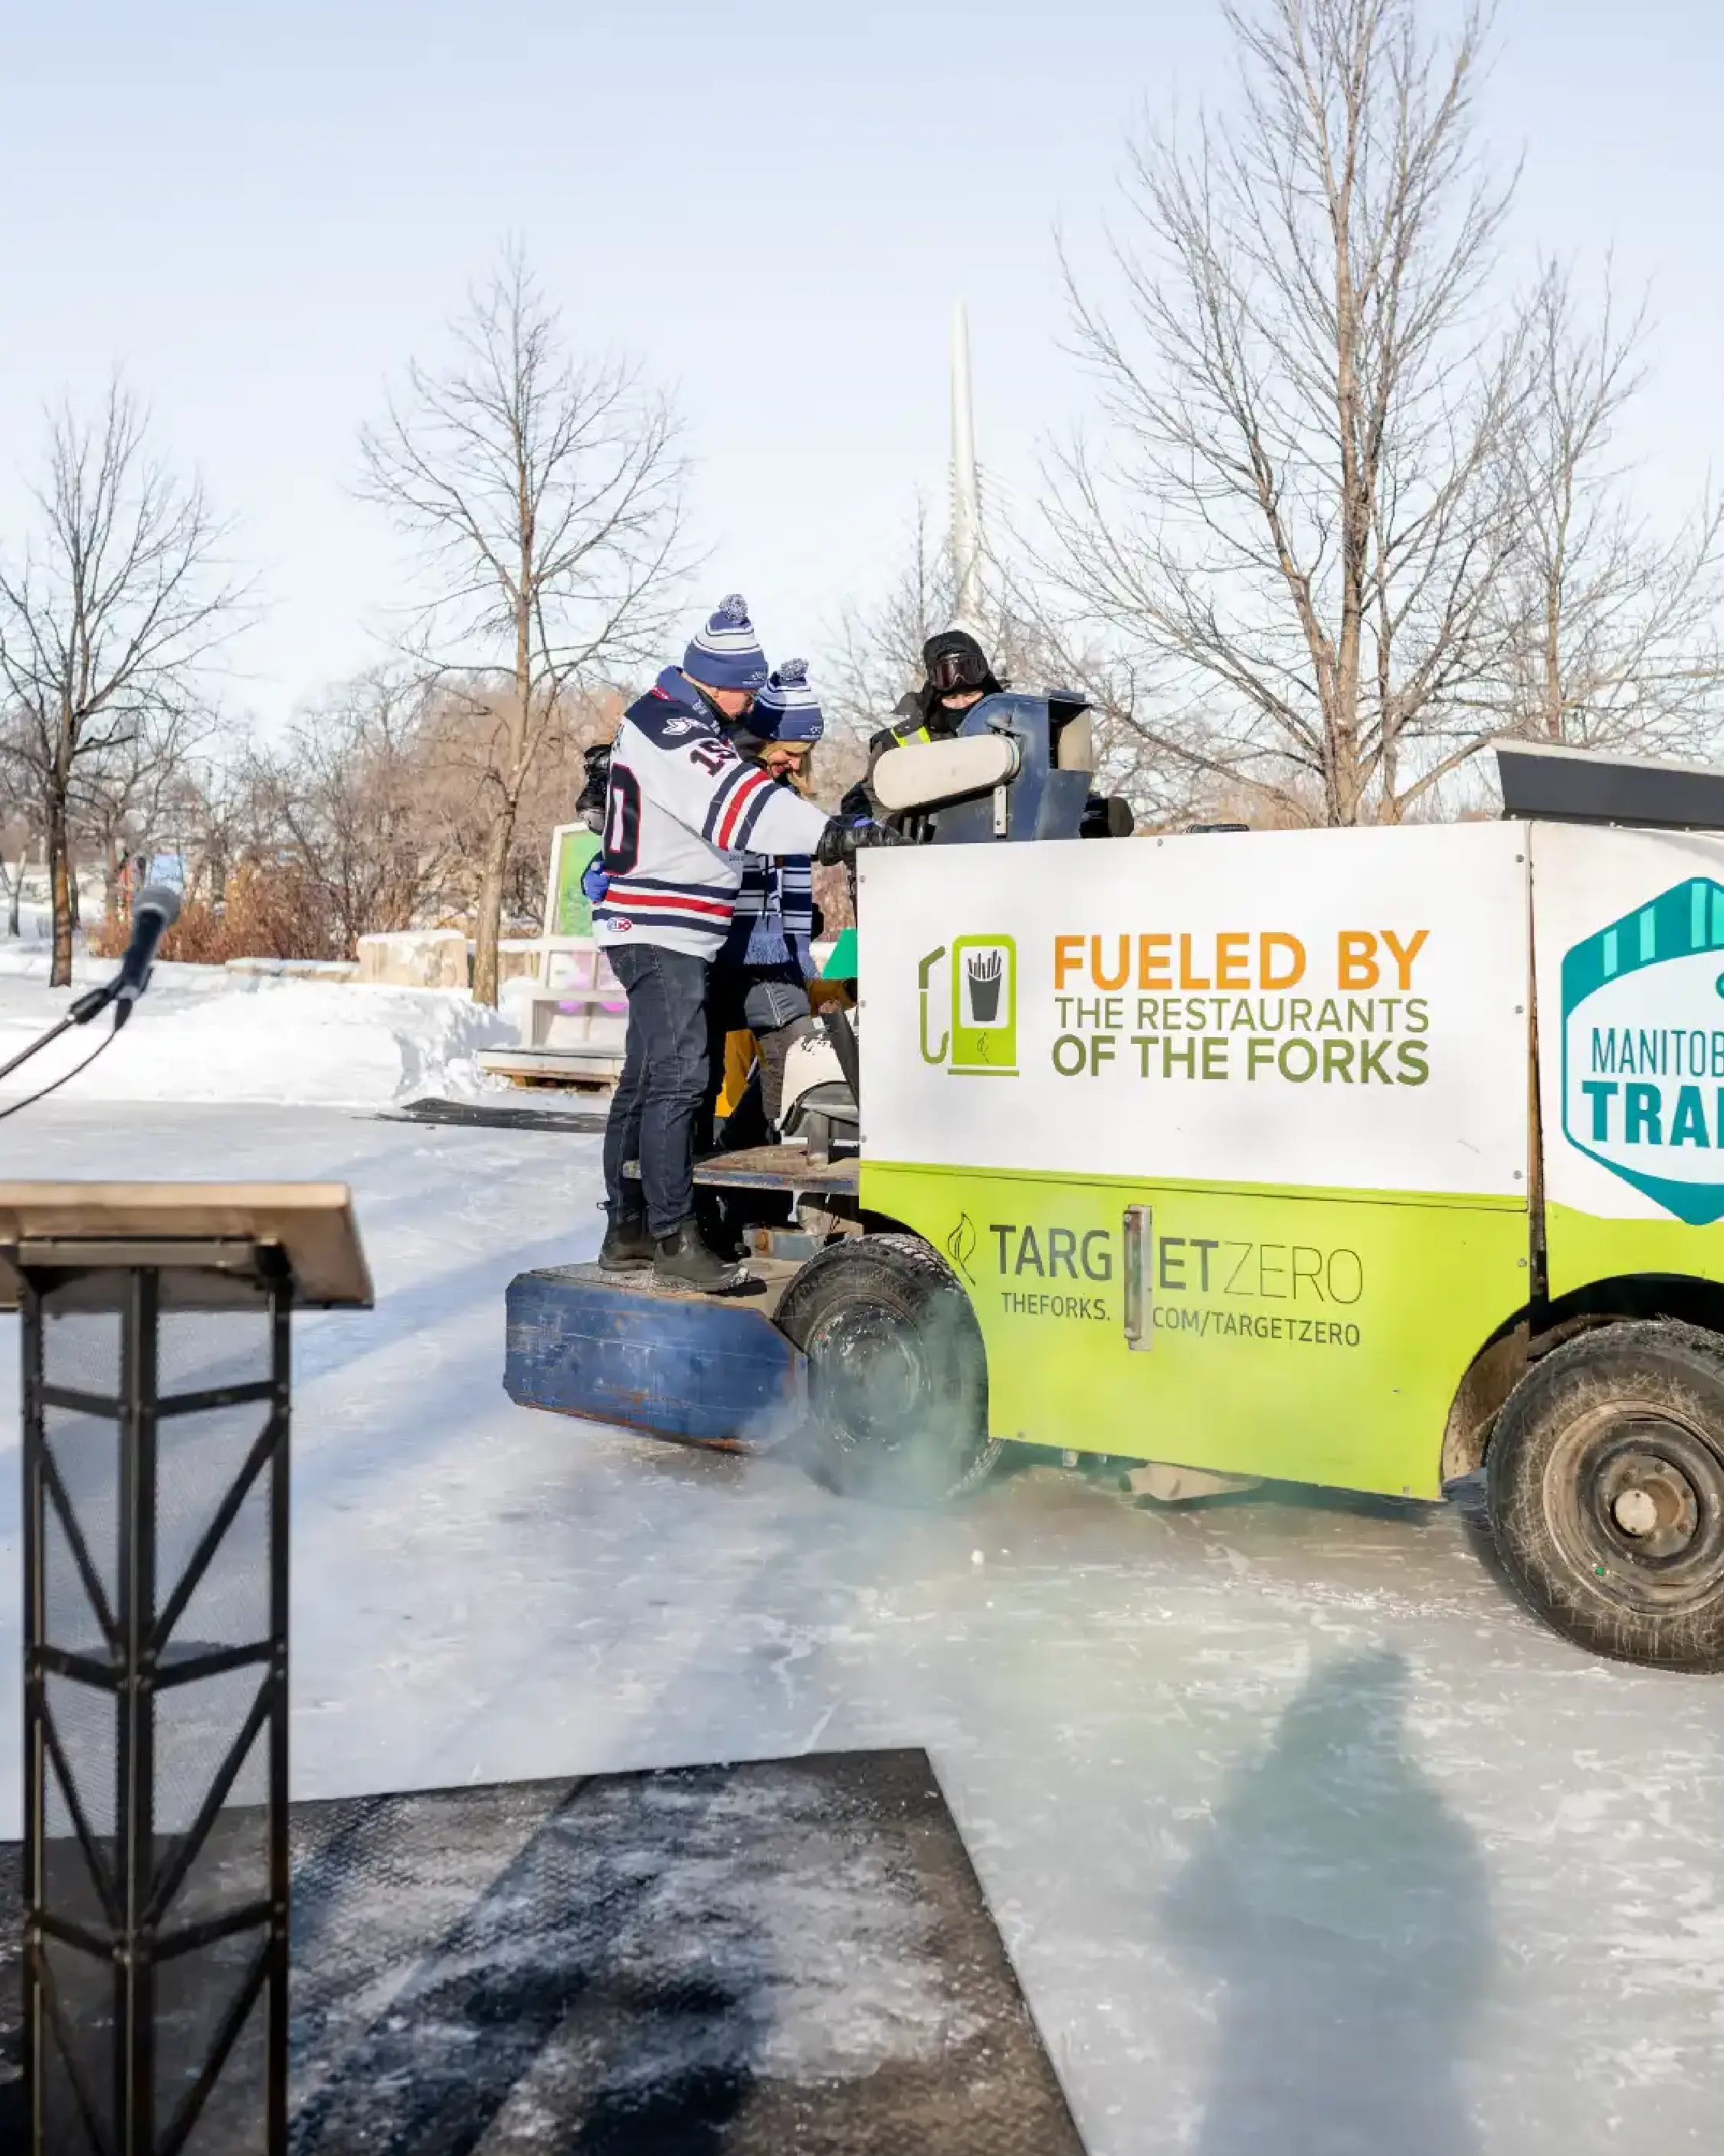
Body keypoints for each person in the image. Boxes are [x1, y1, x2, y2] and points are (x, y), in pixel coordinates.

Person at [593, 597, 890, 1290]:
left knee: (652, 1076)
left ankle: (632, 1227)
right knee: (680, 1076)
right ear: (716, 678)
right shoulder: (671, 725)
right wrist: (830, 835)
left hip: (670, 928)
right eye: (744, 688)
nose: (750, 702)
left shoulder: (681, 720)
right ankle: (675, 1234)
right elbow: (735, 802)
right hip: (659, 926)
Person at [702, 658, 827, 1157]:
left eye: (803, 755)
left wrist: (796, 934)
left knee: (795, 1059)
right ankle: (690, 1180)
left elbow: (786, 876)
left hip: (771, 953)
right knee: (702, 1072)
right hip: (722, 949)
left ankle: (749, 1168)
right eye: (790, 751)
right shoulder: (727, 780)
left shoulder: (784, 795)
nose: (796, 763)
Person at [840, 626, 1005, 826]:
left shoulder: (1013, 729)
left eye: (971, 695)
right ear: (936, 697)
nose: (962, 704)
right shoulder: (901, 743)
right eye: (952, 698)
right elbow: (866, 803)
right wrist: (897, 824)